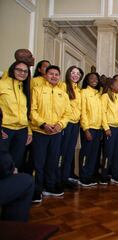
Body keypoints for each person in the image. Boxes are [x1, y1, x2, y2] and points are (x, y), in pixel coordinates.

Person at [30, 65, 71, 202]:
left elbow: (67, 113)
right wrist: (43, 124)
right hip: (40, 131)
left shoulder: (63, 94)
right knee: (38, 162)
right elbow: (32, 111)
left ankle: (50, 186)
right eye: (51, 74)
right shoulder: (37, 90)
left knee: (53, 161)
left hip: (56, 133)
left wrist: (60, 125)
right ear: (46, 75)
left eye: (56, 74)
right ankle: (37, 190)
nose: (54, 76)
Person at [0, 107, 34, 221]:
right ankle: (13, 229)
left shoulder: (22, 89)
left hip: (21, 128)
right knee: (27, 181)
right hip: (9, 129)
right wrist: (10, 169)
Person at [0, 61, 32, 170]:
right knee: (2, 163)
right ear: (12, 69)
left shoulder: (24, 88)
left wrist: (29, 131)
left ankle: (12, 186)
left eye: (25, 71)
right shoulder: (2, 84)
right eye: (19, 70)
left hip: (22, 131)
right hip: (5, 130)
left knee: (16, 162)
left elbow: (27, 112)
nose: (22, 73)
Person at [59, 66, 84, 189]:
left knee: (70, 151)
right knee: (62, 152)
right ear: (68, 73)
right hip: (66, 123)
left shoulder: (79, 90)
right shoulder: (63, 86)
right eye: (73, 73)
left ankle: (65, 177)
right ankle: (58, 178)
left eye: (78, 73)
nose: (75, 75)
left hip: (76, 124)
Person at [100, 77, 118, 184]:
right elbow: (102, 113)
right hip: (110, 128)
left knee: (117, 153)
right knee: (108, 153)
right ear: (111, 86)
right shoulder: (105, 96)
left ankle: (115, 175)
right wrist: (106, 128)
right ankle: (104, 175)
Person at [79, 72, 102, 187]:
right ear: (87, 80)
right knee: (86, 153)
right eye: (91, 78)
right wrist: (86, 129)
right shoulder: (83, 92)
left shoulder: (98, 94)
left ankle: (90, 175)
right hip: (88, 128)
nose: (94, 80)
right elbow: (82, 111)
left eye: (96, 78)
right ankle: (83, 177)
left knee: (94, 154)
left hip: (98, 128)